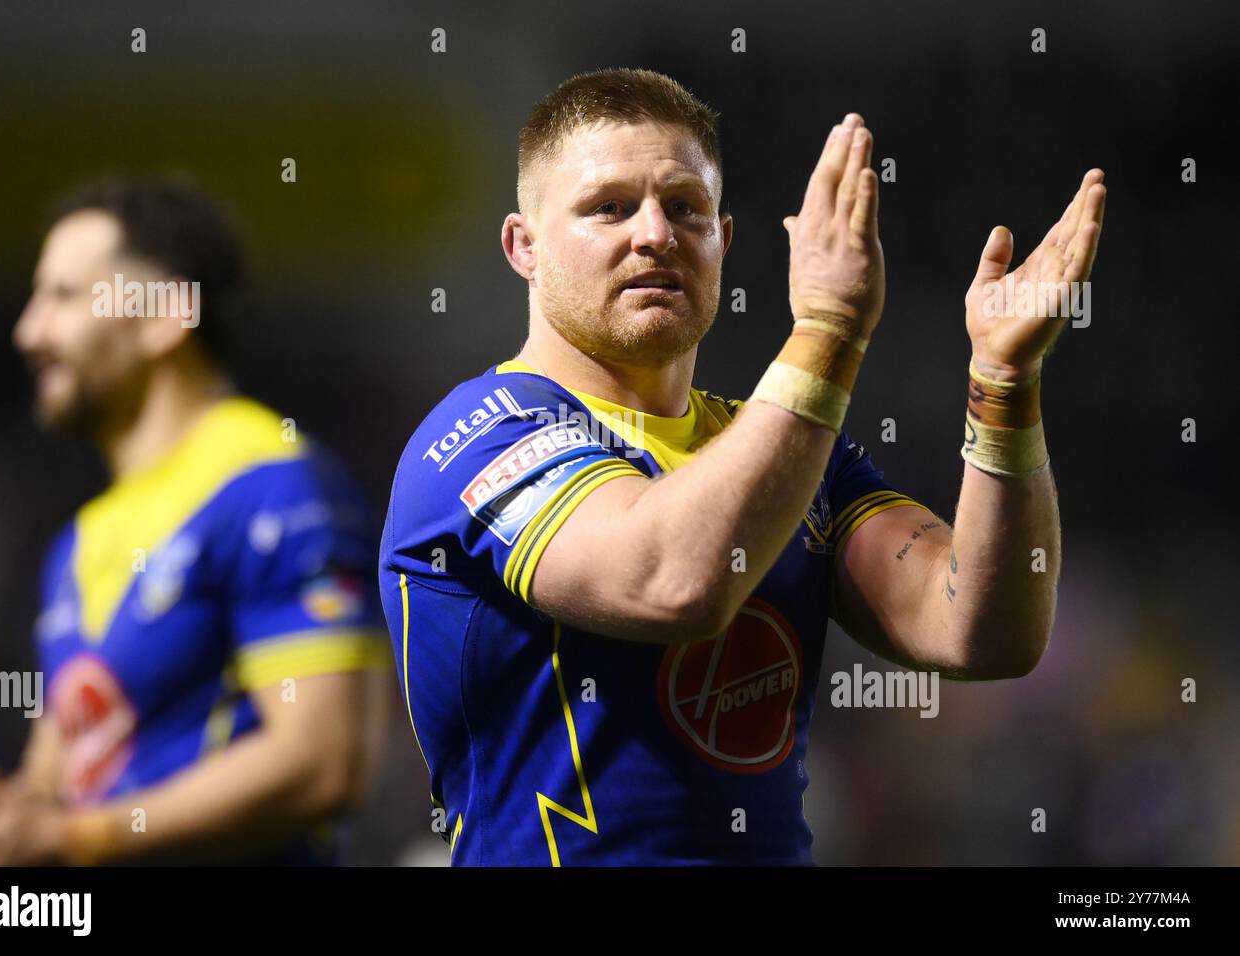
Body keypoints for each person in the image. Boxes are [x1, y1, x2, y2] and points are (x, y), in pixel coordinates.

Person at [379, 67, 1106, 865]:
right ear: (524, 246)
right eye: (608, 207)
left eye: (685, 207)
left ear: (723, 240)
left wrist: (1004, 387)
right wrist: (828, 329)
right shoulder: (481, 435)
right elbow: (671, 579)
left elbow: (983, 630)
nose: (654, 233)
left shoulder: (786, 454)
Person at [0, 178, 391, 865]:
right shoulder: (79, 540)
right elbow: (66, 783)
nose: (27, 331)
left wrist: (72, 840)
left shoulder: (273, 487)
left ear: (161, 315)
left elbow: (324, 762)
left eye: (64, 296)